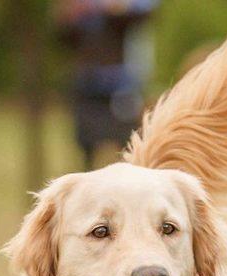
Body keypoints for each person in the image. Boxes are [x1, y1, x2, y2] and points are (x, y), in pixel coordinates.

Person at [57, 0, 157, 169]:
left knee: (128, 144)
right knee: (86, 146)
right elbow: (63, 35)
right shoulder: (80, 9)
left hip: (122, 86)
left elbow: (145, 12)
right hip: (88, 84)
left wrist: (109, 8)